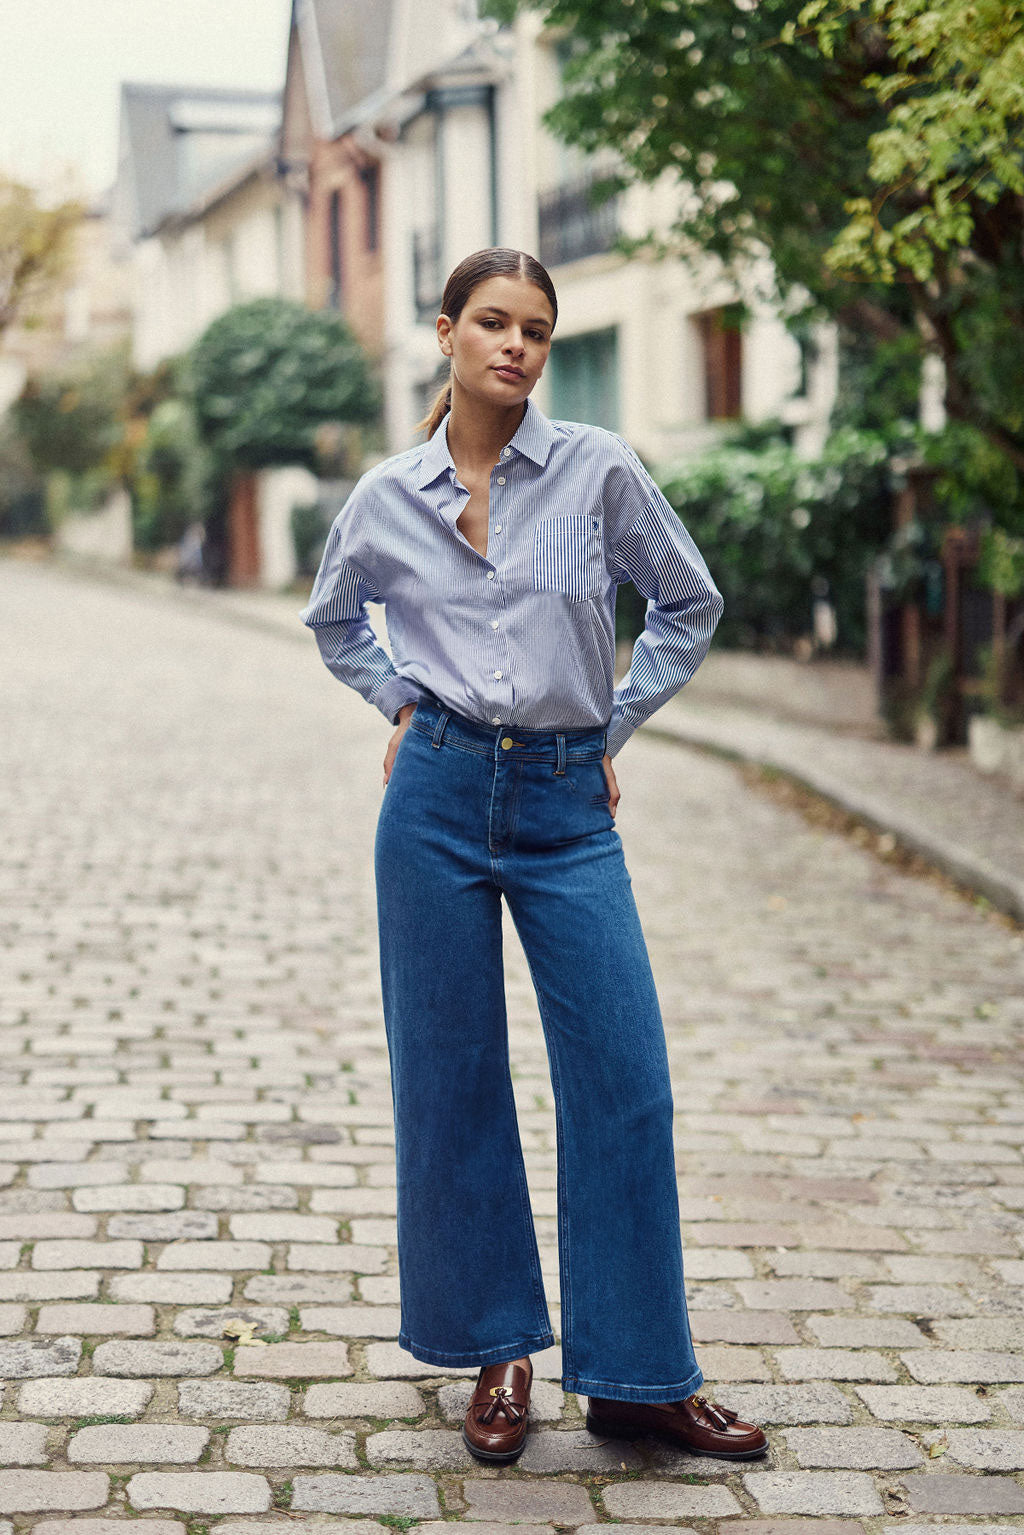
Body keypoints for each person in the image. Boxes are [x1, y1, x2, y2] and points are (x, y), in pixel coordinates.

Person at [300, 247, 768, 1465]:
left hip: (567, 800)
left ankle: (637, 1376)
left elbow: (688, 601)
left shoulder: (597, 468)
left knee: (624, 1077)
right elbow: (334, 619)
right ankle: (497, 1350)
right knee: (449, 1076)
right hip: (436, 796)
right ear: (446, 332)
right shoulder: (386, 495)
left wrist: (610, 724)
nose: (516, 345)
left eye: (537, 330)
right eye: (494, 322)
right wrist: (401, 703)